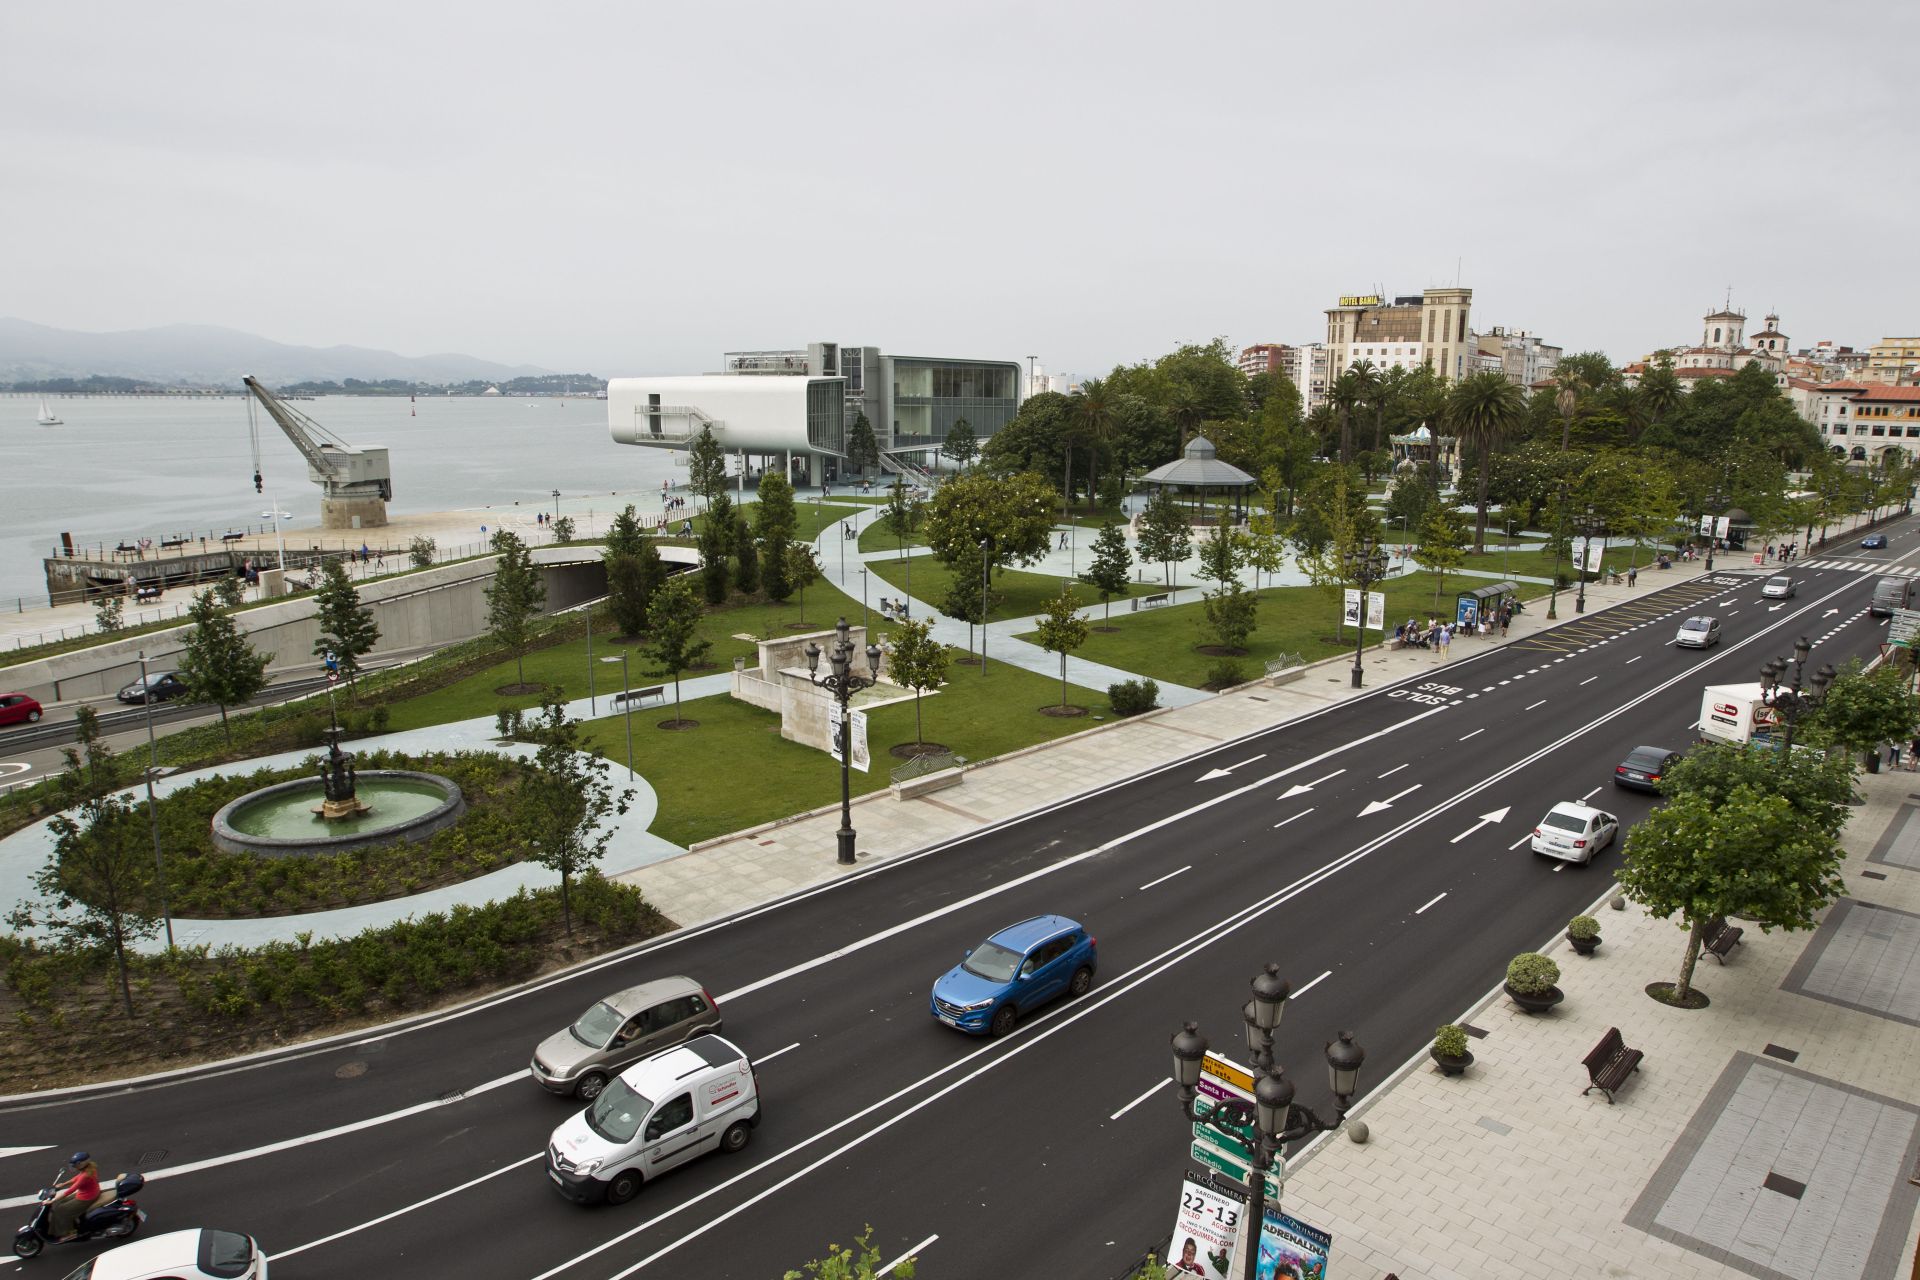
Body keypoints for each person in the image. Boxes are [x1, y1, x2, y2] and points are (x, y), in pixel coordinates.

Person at [47, 1154, 100, 1240]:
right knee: (61, 1203)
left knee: (62, 1210)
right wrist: (63, 1184)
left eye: (75, 1165)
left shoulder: (85, 1176)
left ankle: (69, 1233)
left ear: (81, 1164)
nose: (74, 1167)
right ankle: (57, 1230)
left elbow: (71, 1190)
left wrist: (52, 1200)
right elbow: (76, 1178)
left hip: (87, 1198)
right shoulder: (88, 1168)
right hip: (86, 1193)